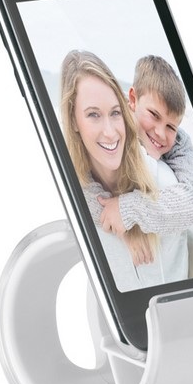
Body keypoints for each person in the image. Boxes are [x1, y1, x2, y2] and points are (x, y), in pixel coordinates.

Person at [98, 55, 193, 273]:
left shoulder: (179, 143)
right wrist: (125, 232)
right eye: (153, 115)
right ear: (133, 99)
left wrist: (128, 209)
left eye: (171, 126)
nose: (160, 133)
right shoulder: (112, 125)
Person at [60, 50, 169, 291]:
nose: (109, 132)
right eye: (93, 115)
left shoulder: (157, 176)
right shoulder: (71, 190)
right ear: (73, 120)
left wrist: (130, 210)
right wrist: (114, 217)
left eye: (115, 112)